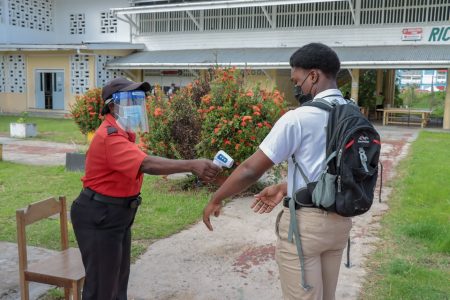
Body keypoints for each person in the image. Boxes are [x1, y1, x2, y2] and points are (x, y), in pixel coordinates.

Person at [203, 43, 352, 300]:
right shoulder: (352, 112)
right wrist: (285, 187)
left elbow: (251, 169)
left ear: (313, 76)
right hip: (341, 223)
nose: (297, 87)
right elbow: (333, 169)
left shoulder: (299, 117)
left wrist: (216, 198)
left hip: (306, 227)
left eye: (297, 80)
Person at [70, 77, 221, 300]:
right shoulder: (109, 137)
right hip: (99, 218)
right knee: (101, 289)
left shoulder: (123, 134)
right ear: (112, 106)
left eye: (139, 101)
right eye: (131, 101)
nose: (136, 107)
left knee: (118, 282)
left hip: (116, 215)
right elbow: (146, 164)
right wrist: (191, 164)